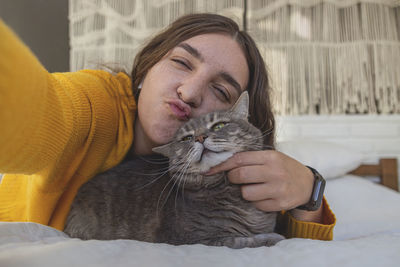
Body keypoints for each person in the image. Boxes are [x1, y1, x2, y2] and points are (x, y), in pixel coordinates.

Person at [0, 13, 335, 240]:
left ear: (238, 117)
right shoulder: (96, 103)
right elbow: (41, 111)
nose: (189, 93)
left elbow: (298, 250)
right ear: (146, 69)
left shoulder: (218, 173)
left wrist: (311, 192)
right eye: (180, 62)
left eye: (220, 90)